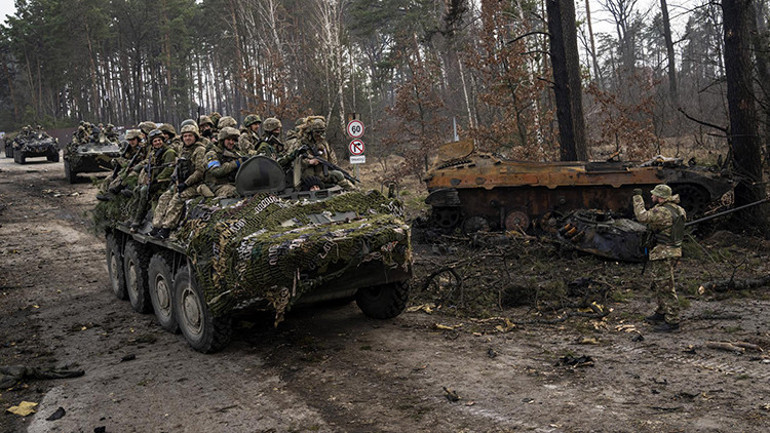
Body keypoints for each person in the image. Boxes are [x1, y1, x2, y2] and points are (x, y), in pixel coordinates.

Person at [633, 184, 686, 332]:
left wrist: (637, 198)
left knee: (665, 286)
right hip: (672, 250)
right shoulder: (678, 209)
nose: (652, 196)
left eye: (654, 195)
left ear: (660, 197)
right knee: (659, 283)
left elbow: (642, 216)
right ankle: (662, 312)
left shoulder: (662, 211)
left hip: (663, 252)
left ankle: (673, 321)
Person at [150, 123, 207, 239]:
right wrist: (175, 179)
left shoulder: (199, 150)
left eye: (190, 136)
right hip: (181, 182)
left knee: (177, 199)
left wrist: (186, 183)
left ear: (195, 136)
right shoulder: (183, 149)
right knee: (164, 197)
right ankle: (156, 226)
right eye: (185, 136)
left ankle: (167, 228)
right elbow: (178, 166)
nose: (187, 138)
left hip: (195, 184)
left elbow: (199, 171)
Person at [130, 129, 177, 231]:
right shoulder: (153, 153)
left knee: (144, 191)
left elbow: (169, 170)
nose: (157, 143)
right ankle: (134, 216)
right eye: (155, 141)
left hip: (164, 182)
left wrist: (156, 180)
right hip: (154, 181)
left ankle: (138, 220)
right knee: (138, 190)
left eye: (159, 140)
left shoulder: (169, 152)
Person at [295, 116, 353, 190]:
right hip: (309, 175)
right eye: (317, 132)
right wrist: (309, 162)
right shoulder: (302, 143)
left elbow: (331, 158)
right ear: (311, 131)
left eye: (322, 131)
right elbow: (296, 161)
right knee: (338, 175)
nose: (319, 134)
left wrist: (332, 166)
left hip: (322, 172)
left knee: (340, 174)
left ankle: (354, 191)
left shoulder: (323, 142)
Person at [203, 127, 247, 198]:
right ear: (222, 140)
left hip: (233, 183)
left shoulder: (236, 153)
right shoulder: (212, 154)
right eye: (228, 139)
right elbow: (217, 171)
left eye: (233, 140)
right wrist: (236, 163)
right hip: (216, 186)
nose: (231, 142)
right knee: (236, 192)